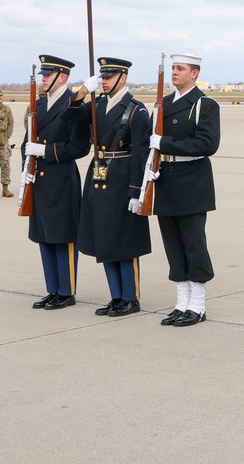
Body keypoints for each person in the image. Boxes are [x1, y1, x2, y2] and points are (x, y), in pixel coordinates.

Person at [65, 58, 152, 317]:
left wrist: (136, 191)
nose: (103, 81)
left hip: (123, 178)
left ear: (122, 78)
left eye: (108, 76)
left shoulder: (136, 110)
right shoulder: (97, 104)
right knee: (105, 238)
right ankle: (116, 296)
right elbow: (69, 117)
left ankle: (130, 298)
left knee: (124, 239)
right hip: (99, 175)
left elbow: (140, 154)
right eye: (101, 77)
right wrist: (83, 91)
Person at [149, 53, 221, 328]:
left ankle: (197, 306)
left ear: (195, 73)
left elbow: (207, 144)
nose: (174, 72)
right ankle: (181, 303)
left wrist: (165, 143)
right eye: (173, 68)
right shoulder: (164, 104)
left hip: (191, 183)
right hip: (165, 180)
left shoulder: (205, 105)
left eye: (180, 68)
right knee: (173, 246)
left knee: (193, 245)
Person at [21, 55, 90, 309]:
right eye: (43, 75)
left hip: (61, 179)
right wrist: (25, 170)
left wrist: (46, 151)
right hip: (39, 180)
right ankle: (53, 289)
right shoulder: (39, 104)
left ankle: (66, 291)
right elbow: (28, 142)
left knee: (63, 236)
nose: (44, 79)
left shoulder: (74, 105)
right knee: (44, 236)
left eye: (48, 75)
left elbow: (79, 147)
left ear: (62, 77)